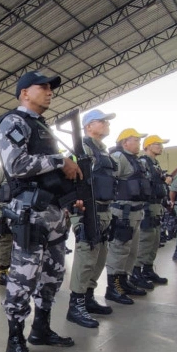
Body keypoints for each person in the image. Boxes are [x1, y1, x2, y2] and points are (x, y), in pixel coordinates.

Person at [0, 71, 82, 352]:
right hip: (30, 214)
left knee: (53, 276)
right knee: (22, 281)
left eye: (50, 88)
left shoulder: (41, 127)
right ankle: (14, 341)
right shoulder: (13, 122)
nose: (49, 92)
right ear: (23, 94)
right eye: (41, 87)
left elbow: (50, 174)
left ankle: (41, 328)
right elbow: (16, 165)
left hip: (54, 213)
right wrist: (61, 161)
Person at [65, 109, 116, 329]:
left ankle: (87, 297)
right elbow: (66, 176)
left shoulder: (102, 151)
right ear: (88, 126)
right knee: (86, 257)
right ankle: (75, 305)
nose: (106, 124)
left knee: (100, 257)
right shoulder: (81, 149)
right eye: (101, 122)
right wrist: (73, 204)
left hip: (104, 209)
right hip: (87, 209)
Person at [105, 128, 150, 305]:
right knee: (119, 250)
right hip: (122, 213)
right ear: (125, 142)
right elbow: (110, 182)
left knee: (131, 251)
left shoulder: (135, 160)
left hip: (136, 212)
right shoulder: (118, 158)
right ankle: (113, 287)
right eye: (136, 140)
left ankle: (123, 282)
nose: (139, 143)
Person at [134, 135, 170, 287]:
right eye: (157, 144)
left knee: (155, 240)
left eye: (161, 144)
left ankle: (148, 269)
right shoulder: (143, 162)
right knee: (145, 240)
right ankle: (136, 272)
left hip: (157, 206)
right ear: (147, 146)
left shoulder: (155, 164)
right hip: (147, 206)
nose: (160, 147)